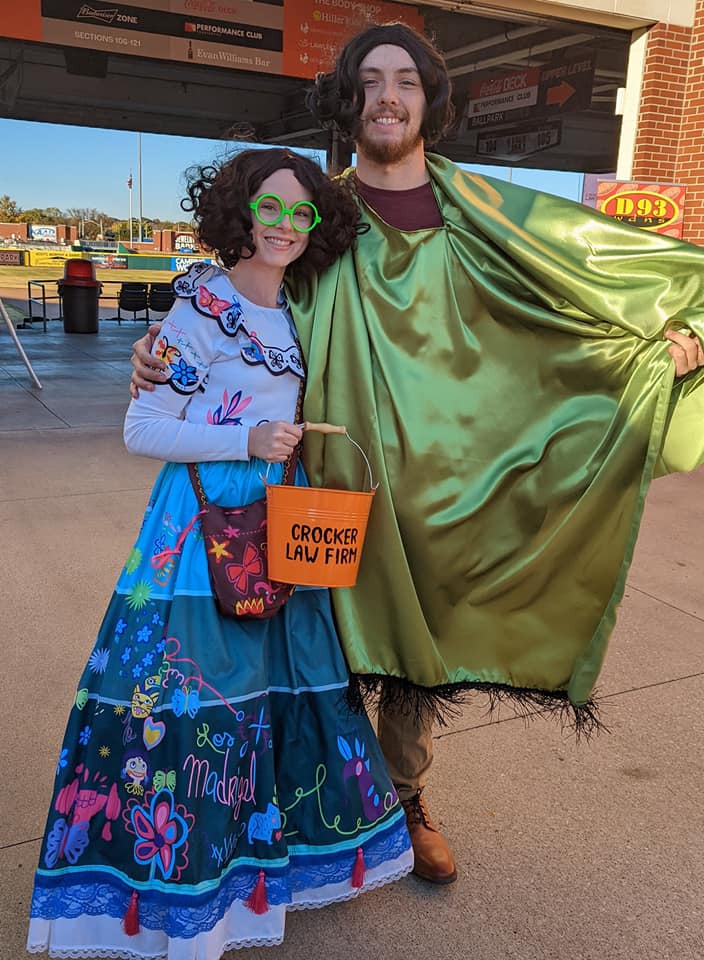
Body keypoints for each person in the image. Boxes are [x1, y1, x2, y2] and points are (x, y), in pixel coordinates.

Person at [129, 24, 704, 889]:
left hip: (440, 477)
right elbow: (234, 300)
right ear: (348, 101)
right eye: (369, 81)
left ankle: (403, 798)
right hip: (318, 469)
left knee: (412, 649)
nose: (387, 97)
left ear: (431, 100)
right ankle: (297, 806)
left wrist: (663, 339)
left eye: (405, 81)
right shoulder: (316, 214)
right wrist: (157, 357)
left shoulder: (489, 213)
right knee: (303, 646)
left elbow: (585, 296)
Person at [27, 148, 413, 960]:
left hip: (282, 523)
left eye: (301, 212)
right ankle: (187, 890)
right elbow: (142, 429)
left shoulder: (305, 308)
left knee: (274, 695)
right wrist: (248, 437)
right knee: (200, 703)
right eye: (269, 207)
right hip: (202, 531)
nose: (284, 225)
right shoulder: (200, 308)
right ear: (240, 209)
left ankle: (260, 872)